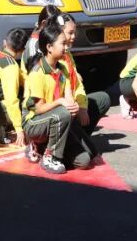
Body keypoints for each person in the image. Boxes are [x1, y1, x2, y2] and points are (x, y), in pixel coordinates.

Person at [22, 24, 93, 174]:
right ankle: (49, 156)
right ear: (49, 47)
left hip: (56, 118)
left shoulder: (63, 68)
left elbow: (68, 96)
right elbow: (39, 109)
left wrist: (73, 106)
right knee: (62, 112)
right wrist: (61, 103)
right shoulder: (37, 73)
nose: (66, 47)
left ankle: (43, 148)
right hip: (34, 122)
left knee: (84, 160)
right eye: (63, 44)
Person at [56, 13, 113, 132]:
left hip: (72, 103)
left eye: (74, 32)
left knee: (103, 99)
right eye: (70, 33)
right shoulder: (53, 57)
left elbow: (77, 84)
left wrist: (82, 106)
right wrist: (74, 106)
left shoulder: (67, 55)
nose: (73, 37)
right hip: (59, 109)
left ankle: (80, 136)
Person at [0, 28, 28, 145]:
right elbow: (11, 99)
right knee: (33, 105)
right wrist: (19, 129)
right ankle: (8, 124)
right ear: (23, 50)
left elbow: (23, 80)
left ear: (4, 43)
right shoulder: (10, 66)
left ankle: (2, 127)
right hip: (1, 109)